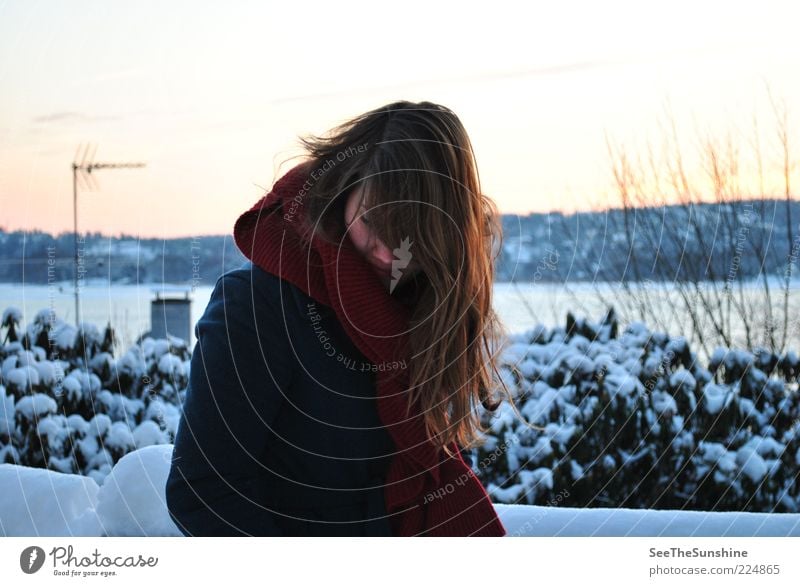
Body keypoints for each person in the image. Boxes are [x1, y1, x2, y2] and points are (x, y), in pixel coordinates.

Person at [165, 100, 515, 536]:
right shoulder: (259, 305)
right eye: (374, 221)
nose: (389, 254)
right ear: (346, 184)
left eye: (413, 238)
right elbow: (203, 489)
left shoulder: (422, 313)